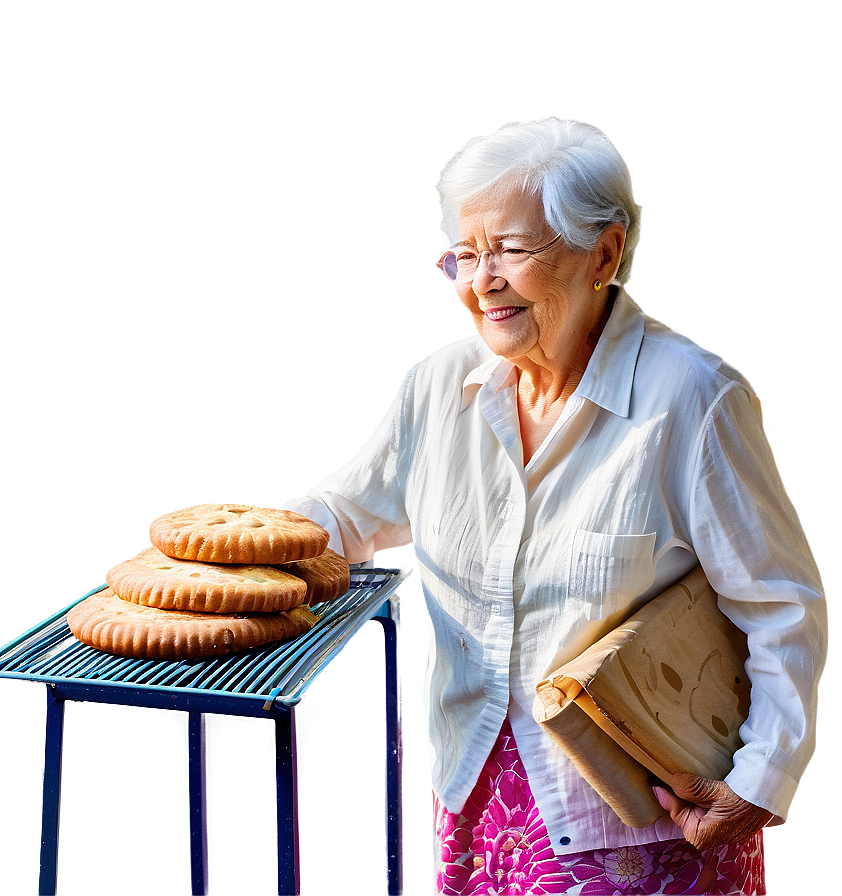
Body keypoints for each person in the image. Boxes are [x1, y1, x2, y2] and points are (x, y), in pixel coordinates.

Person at [282, 118, 826, 895]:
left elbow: (781, 606)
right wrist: (234, 557)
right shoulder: (440, 389)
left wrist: (760, 783)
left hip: (641, 823)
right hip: (477, 804)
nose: (482, 280)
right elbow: (343, 513)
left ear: (603, 253)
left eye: (508, 249)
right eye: (464, 256)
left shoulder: (689, 400)